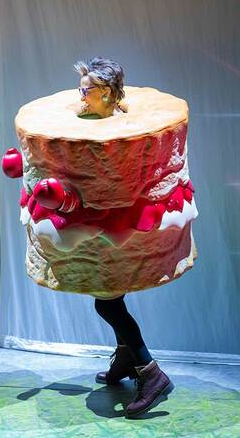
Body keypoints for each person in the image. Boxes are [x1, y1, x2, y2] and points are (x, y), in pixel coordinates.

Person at [75, 57, 174, 419]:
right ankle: (125, 360)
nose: (82, 95)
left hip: (118, 225)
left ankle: (151, 373)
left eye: (89, 90)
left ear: (110, 92)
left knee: (107, 303)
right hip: (99, 223)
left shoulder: (120, 130)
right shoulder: (88, 122)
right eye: (81, 88)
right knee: (111, 296)